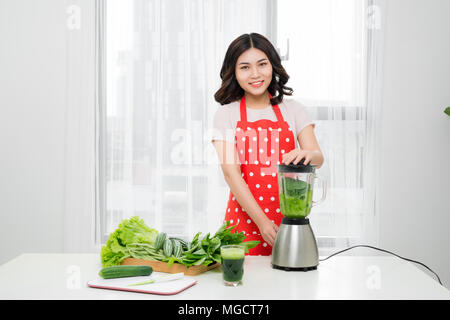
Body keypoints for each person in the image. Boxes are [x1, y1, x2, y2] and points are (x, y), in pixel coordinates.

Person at [211, 33, 324, 256]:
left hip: (288, 223)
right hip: (241, 227)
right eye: (245, 67)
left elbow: (318, 157)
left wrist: (307, 154)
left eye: (262, 64)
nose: (255, 74)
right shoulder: (226, 115)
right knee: (242, 287)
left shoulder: (293, 110)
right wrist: (263, 223)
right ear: (234, 72)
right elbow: (231, 174)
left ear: (272, 65)